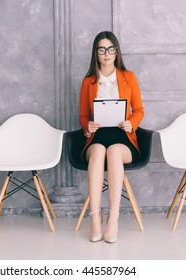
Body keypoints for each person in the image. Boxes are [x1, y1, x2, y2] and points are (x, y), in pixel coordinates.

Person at [79, 31, 144, 243]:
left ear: (116, 52)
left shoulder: (129, 77)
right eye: (101, 49)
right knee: (98, 151)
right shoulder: (88, 81)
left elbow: (139, 110)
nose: (106, 53)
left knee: (114, 152)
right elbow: (82, 115)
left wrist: (131, 123)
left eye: (110, 49)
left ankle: (113, 219)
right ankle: (95, 218)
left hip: (122, 136)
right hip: (97, 135)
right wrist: (87, 126)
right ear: (96, 53)